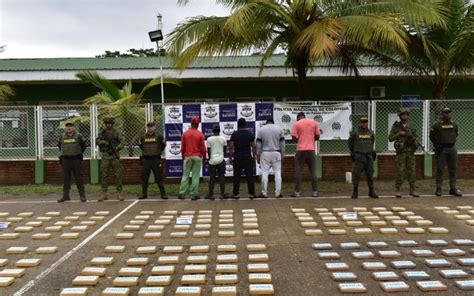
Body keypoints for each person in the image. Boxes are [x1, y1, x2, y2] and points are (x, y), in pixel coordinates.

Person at [430, 107, 462, 197]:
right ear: (442, 114)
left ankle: (453, 188)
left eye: (448, 113)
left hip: (452, 148)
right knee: (440, 169)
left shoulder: (454, 124)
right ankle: (439, 188)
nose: (447, 114)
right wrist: (437, 144)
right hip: (441, 149)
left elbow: (456, 134)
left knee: (453, 169)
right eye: (445, 113)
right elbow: (431, 135)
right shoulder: (437, 124)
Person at [389, 108, 420, 198]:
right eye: (403, 114)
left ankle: (413, 189)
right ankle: (398, 189)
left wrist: (416, 141)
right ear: (400, 116)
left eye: (406, 114)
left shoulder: (412, 125)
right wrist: (399, 134)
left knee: (412, 171)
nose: (405, 116)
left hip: (410, 152)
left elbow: (416, 136)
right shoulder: (396, 126)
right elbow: (390, 138)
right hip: (401, 152)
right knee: (400, 171)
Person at [290, 112, 320, 198]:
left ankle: (297, 192)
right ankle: (315, 192)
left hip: (300, 150)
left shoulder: (296, 124)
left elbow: (293, 137)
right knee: (313, 171)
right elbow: (318, 136)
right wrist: (311, 140)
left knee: (298, 172)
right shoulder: (313, 123)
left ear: (298, 118)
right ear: (304, 117)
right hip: (311, 149)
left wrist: (299, 141)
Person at [348, 116, 379, 199]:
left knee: (370, 175)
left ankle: (371, 192)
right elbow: (350, 144)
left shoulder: (371, 133)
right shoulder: (355, 133)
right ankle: (355, 192)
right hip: (359, 156)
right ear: (360, 123)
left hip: (368, 156)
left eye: (366, 122)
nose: (364, 124)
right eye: (363, 122)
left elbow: (372, 142)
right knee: (356, 175)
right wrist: (354, 153)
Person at [178, 117, 206, 200]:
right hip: (197, 156)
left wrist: (183, 156)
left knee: (185, 175)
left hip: (188, 157)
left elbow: (183, 147)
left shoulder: (185, 134)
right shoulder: (200, 134)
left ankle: (182, 193)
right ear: (197, 124)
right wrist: (204, 157)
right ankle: (194, 194)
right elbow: (203, 148)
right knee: (195, 176)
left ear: (191, 124)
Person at [96, 117, 124, 201]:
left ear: (112, 123)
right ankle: (104, 193)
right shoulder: (102, 132)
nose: (108, 124)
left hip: (115, 155)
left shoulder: (117, 132)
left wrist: (117, 148)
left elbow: (122, 142)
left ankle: (119, 192)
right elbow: (97, 141)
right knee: (104, 174)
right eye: (107, 123)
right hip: (105, 155)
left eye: (110, 123)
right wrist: (104, 142)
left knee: (118, 174)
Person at [138, 121, 168, 200]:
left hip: (155, 159)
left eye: (151, 126)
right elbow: (141, 146)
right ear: (147, 128)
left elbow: (163, 146)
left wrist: (156, 152)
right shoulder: (143, 137)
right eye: (148, 126)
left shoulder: (159, 136)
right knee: (144, 177)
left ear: (154, 127)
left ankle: (163, 194)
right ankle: (144, 194)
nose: (150, 128)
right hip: (146, 159)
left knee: (159, 177)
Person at [58, 122, 86, 203]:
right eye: (67, 126)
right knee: (66, 178)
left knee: (79, 178)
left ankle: (82, 195)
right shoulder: (62, 137)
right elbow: (60, 146)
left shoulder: (79, 136)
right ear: (65, 128)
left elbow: (83, 146)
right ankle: (65, 196)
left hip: (76, 159)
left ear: (73, 127)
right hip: (66, 160)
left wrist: (76, 153)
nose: (69, 128)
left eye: (71, 126)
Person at [256, 119, 285, 198]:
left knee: (264, 173)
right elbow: (282, 143)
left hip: (265, 153)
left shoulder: (261, 130)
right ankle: (278, 193)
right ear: (273, 122)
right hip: (276, 152)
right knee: (277, 173)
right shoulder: (279, 129)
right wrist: (282, 154)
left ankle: (264, 192)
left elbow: (258, 144)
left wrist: (258, 155)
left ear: (266, 122)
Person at [229, 118, 257, 199]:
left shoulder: (234, 134)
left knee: (236, 176)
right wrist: (254, 156)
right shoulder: (249, 134)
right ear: (245, 124)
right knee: (249, 176)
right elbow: (253, 146)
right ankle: (252, 194)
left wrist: (231, 157)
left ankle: (236, 194)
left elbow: (231, 147)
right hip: (247, 157)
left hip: (237, 157)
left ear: (238, 125)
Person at [206, 124, 228, 200]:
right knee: (222, 176)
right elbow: (225, 151)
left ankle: (211, 194)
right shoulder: (223, 139)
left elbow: (208, 151)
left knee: (212, 177)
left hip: (212, 160)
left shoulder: (209, 139)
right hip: (221, 159)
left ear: (213, 131)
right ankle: (222, 194)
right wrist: (222, 157)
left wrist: (210, 158)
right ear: (219, 130)